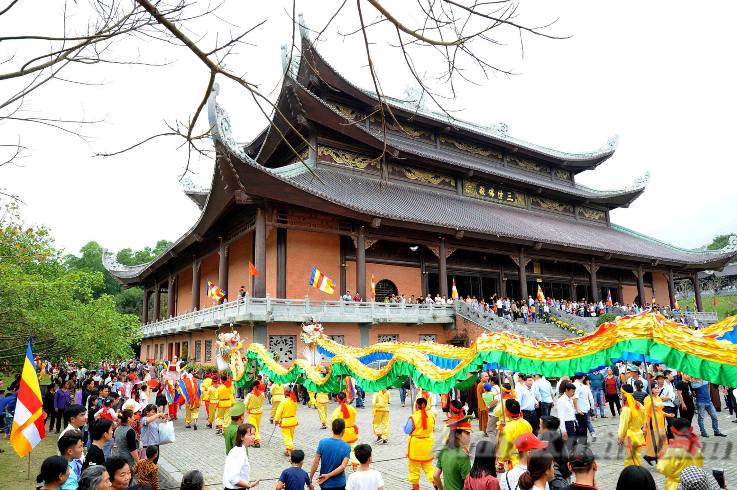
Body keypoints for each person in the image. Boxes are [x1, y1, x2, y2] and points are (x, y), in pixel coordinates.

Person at [656, 418, 705, 490]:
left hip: (676, 486)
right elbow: (701, 464)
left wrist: (661, 458)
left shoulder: (673, 451)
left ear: (673, 431)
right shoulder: (696, 445)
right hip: (694, 484)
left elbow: (664, 469)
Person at [309, 418, 351, 490]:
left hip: (325, 484)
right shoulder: (346, 446)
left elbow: (316, 462)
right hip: (339, 483)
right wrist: (329, 475)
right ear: (343, 430)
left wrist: (310, 479)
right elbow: (343, 466)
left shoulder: (322, 442)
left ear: (332, 429)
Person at [404, 396, 436, 490]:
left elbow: (407, 430)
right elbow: (432, 428)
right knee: (429, 467)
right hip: (427, 444)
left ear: (417, 405)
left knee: (414, 468)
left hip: (415, 446)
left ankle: (415, 487)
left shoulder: (413, 417)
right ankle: (435, 482)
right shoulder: (431, 416)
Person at [434, 416, 472, 490]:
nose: (469, 436)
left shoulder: (444, 451)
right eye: (467, 433)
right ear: (457, 435)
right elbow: (468, 484)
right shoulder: (463, 456)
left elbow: (435, 475)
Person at [496, 399, 533, 470]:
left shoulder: (507, 428)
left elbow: (504, 451)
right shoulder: (526, 423)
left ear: (506, 412)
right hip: (526, 460)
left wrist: (500, 462)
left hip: (514, 464)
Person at [223, 423, 260, 490]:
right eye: (250, 434)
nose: (253, 437)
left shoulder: (239, 450)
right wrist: (249, 485)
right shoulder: (239, 453)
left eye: (254, 434)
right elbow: (233, 479)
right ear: (242, 437)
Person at [538, 416, 571, 489]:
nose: (539, 426)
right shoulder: (557, 438)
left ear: (546, 428)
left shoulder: (545, 441)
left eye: (540, 424)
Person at [617, 385, 646, 467]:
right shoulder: (639, 405)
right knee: (637, 457)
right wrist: (643, 426)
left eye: (621, 393)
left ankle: (632, 476)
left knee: (630, 459)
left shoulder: (626, 409)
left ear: (624, 394)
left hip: (630, 435)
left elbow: (623, 425)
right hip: (639, 433)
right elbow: (644, 416)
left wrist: (620, 436)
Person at [643, 384, 671, 465]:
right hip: (653, 421)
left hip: (661, 421)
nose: (657, 389)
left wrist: (667, 414)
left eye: (658, 388)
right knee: (656, 440)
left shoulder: (658, 397)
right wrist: (645, 426)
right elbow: (646, 413)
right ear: (651, 389)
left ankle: (651, 457)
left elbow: (659, 410)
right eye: (655, 388)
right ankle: (659, 460)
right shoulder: (648, 399)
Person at [330, 392, 359, 467]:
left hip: (342, 432)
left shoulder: (337, 410)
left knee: (341, 449)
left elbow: (334, 422)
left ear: (338, 399)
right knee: (353, 448)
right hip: (352, 431)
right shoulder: (352, 408)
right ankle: (355, 463)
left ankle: (342, 463)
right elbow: (354, 415)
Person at [274, 388, 300, 457]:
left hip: (286, 421)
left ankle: (291, 451)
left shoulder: (283, 401)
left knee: (287, 437)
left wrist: (276, 420)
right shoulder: (294, 401)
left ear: (284, 393)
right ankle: (287, 450)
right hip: (293, 420)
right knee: (291, 436)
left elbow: (278, 412)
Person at [556, 383, 577, 449]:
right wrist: (563, 431)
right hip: (567, 424)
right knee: (569, 444)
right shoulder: (562, 401)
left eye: (574, 391)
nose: (573, 393)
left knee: (573, 443)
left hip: (572, 423)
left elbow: (571, 413)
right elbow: (561, 417)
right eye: (572, 391)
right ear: (566, 390)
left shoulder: (570, 399)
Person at [244, 383, 265, 447]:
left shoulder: (250, 395)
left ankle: (256, 441)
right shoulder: (262, 394)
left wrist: (247, 409)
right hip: (259, 412)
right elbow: (263, 400)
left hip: (252, 412)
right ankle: (254, 439)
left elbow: (245, 403)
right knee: (257, 427)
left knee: (253, 427)